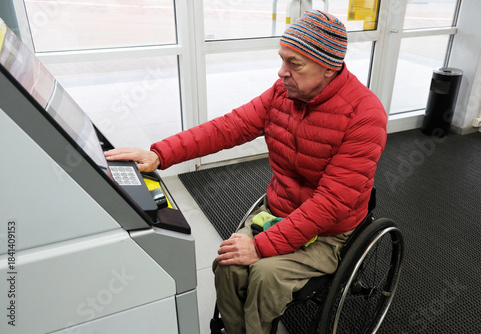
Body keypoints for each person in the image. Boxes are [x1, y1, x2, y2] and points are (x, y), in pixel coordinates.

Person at [105, 10, 387, 334]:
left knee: (266, 277)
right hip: (279, 210)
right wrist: (160, 153)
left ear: (328, 67)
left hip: (327, 231)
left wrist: (261, 247)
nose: (282, 73)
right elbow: (228, 128)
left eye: (294, 64)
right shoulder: (282, 94)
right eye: (282, 60)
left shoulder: (364, 115)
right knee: (228, 264)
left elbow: (332, 203)